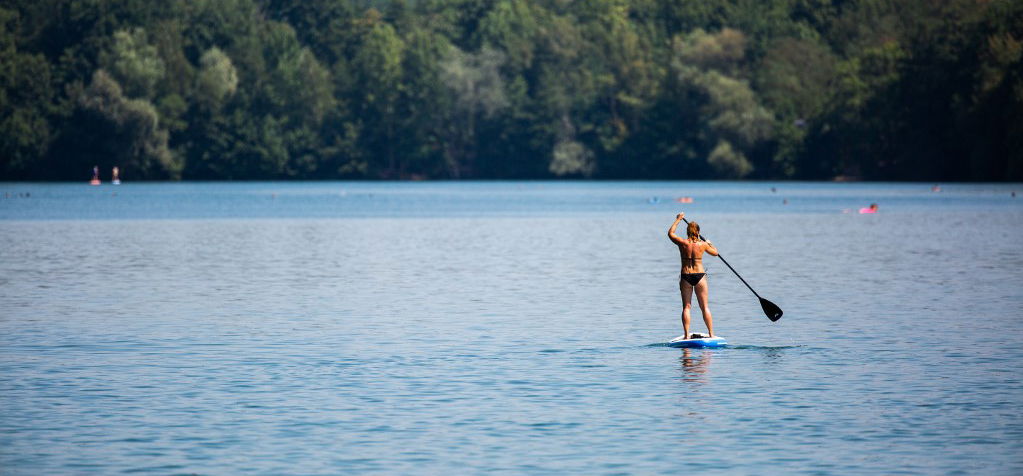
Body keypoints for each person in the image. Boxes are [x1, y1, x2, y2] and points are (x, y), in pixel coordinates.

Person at [668, 212, 719, 339]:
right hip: (700, 276)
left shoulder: (682, 243)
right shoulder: (703, 245)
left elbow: (670, 233)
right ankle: (711, 334)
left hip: (686, 276)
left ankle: (686, 335)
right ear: (698, 231)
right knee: (705, 307)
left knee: (687, 307)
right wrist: (709, 243)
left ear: (687, 231)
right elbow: (715, 253)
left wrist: (678, 220)